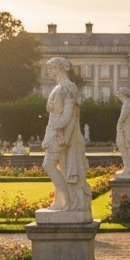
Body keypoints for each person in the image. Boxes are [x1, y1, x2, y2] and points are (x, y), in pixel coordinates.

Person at [41, 56, 91, 214]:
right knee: (61, 167)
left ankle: (65, 201)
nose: (49, 71)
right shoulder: (60, 87)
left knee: (48, 165)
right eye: (48, 69)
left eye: (52, 68)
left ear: (61, 69)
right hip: (58, 132)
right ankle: (61, 202)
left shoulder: (66, 87)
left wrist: (55, 124)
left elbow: (67, 115)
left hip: (59, 134)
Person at [115, 88, 130, 178]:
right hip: (125, 129)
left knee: (128, 148)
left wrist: (119, 125)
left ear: (123, 95)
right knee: (124, 148)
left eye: (119, 96)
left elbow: (122, 117)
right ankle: (128, 168)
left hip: (127, 129)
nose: (119, 99)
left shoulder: (128, 104)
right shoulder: (126, 103)